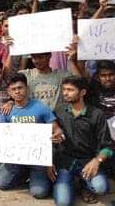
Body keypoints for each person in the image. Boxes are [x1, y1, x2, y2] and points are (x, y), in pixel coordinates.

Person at [0, 73, 64, 199]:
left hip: (38, 157)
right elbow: (1, 134)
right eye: (13, 89)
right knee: (1, 184)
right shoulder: (6, 110)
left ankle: (39, 176)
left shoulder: (41, 107)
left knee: (38, 193)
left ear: (27, 88)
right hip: (16, 156)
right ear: (9, 92)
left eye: (20, 88)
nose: (17, 91)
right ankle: (25, 173)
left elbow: (57, 129)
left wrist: (58, 134)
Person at [51, 76, 113, 205]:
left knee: (101, 188)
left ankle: (83, 184)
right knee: (63, 203)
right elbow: (51, 137)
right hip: (65, 163)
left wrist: (97, 161)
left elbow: (107, 147)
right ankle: (73, 183)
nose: (65, 93)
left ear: (83, 92)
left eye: (70, 90)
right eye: (64, 89)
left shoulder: (97, 114)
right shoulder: (59, 111)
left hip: (88, 162)